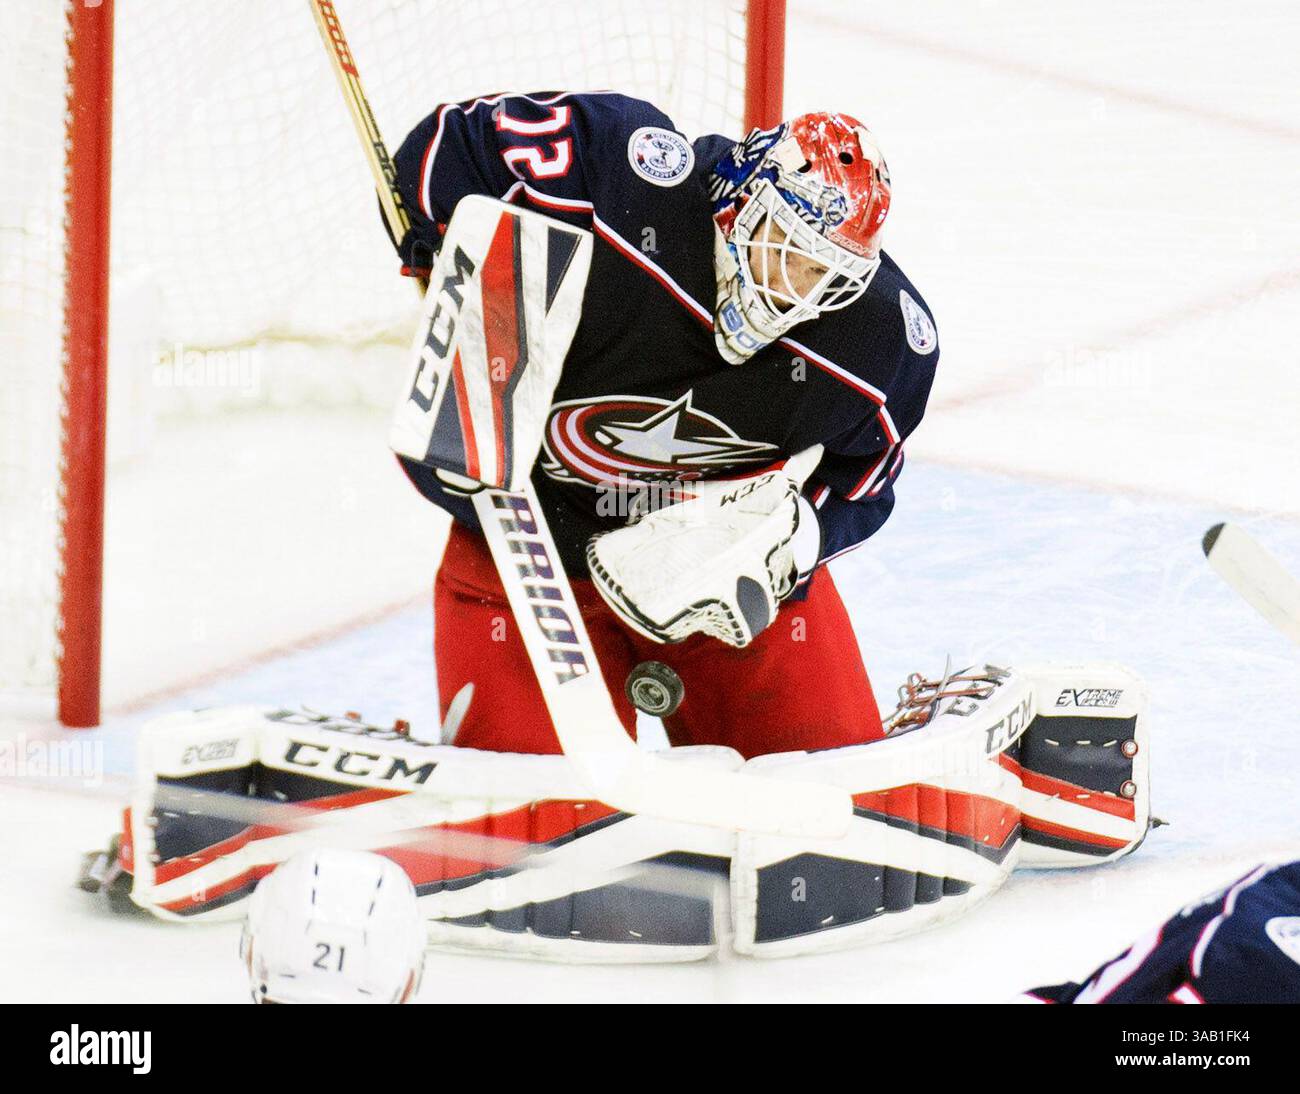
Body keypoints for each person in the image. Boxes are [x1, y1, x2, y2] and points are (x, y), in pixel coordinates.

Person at [387, 93, 939, 758]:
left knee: (831, 806)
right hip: (526, 549)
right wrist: (440, 254)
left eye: (826, 273)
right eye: (786, 249)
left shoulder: (880, 341)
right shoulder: (618, 174)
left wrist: (788, 544)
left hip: (717, 578)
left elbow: (867, 481)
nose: (798, 289)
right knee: (526, 829)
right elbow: (442, 150)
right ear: (741, 199)